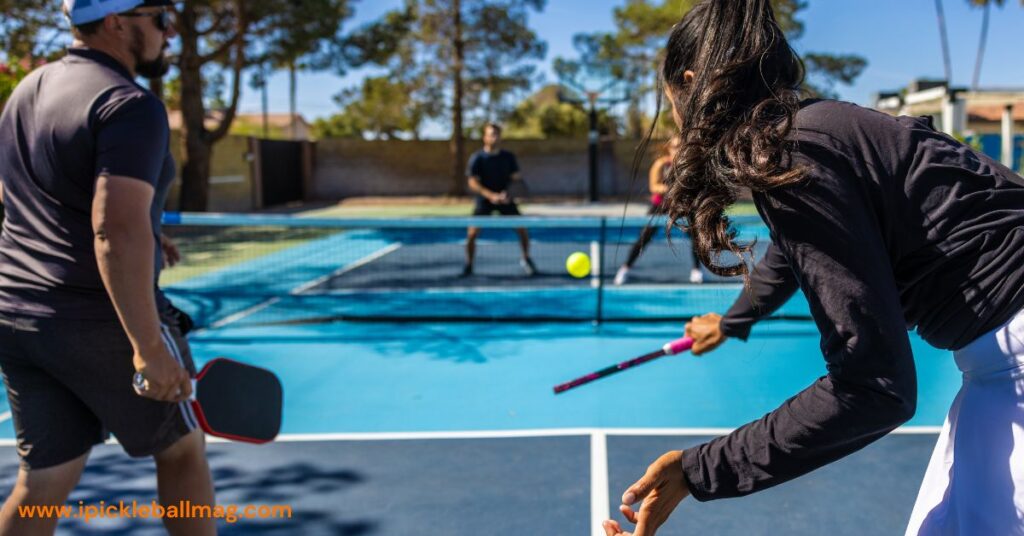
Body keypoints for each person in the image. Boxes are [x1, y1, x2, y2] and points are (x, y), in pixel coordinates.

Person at [602, 1, 1024, 535]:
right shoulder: (817, 130)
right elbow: (790, 253)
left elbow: (873, 386)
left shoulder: (795, 150)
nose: (678, 127)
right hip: (1000, 359)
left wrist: (698, 471)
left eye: (671, 105)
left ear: (692, 83)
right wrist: (733, 321)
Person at [0, 2, 216, 535]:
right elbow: (113, 230)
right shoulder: (129, 104)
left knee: (43, 481)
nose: (170, 31)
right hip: (99, 321)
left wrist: (146, 227)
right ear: (119, 22)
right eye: (161, 17)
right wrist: (148, 348)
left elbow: (38, 191)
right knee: (184, 450)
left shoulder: (29, 90)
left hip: (19, 317)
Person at [614, 136, 703, 285]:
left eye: (681, 146)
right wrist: (672, 189)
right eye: (674, 146)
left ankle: (697, 270)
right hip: (660, 206)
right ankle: (625, 268)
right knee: (644, 237)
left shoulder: (688, 165)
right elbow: (653, 186)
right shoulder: (661, 164)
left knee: (696, 237)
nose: (678, 149)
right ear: (669, 149)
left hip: (681, 206)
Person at [463, 123, 537, 277]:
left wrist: (507, 194)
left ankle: (526, 259)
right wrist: (491, 196)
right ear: (485, 137)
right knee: (471, 233)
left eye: (497, 134)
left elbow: (516, 179)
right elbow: (472, 182)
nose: (494, 137)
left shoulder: (508, 157)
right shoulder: (477, 158)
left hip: (506, 200)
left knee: (522, 229)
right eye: (491, 134)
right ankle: (469, 265)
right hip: (484, 201)